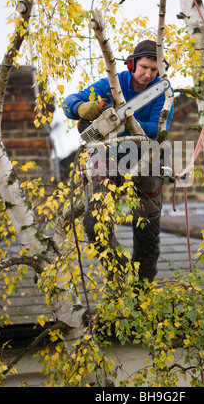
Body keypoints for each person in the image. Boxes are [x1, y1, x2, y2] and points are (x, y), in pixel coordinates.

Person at [62, 40, 174, 284]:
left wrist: (124, 122)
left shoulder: (162, 92)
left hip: (147, 160)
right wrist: (83, 108)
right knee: (96, 226)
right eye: (144, 67)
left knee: (147, 232)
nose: (148, 74)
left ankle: (142, 289)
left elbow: (157, 129)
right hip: (108, 157)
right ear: (132, 64)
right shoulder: (113, 84)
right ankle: (118, 273)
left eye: (154, 70)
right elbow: (68, 101)